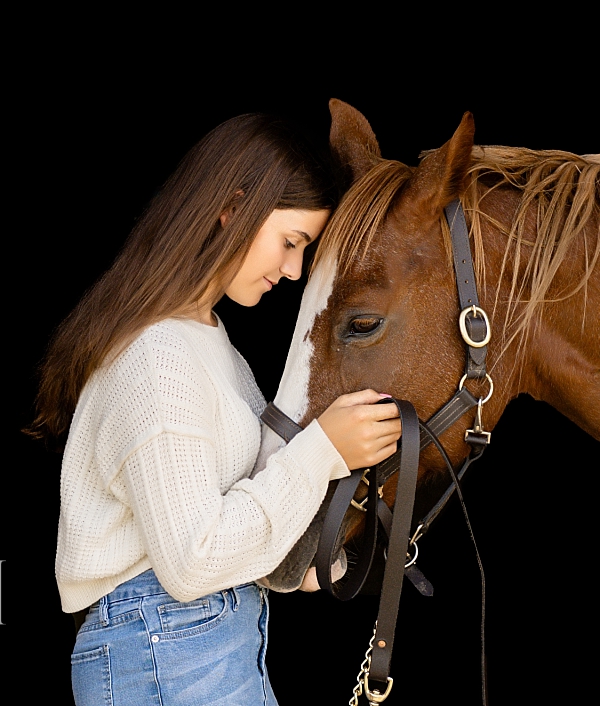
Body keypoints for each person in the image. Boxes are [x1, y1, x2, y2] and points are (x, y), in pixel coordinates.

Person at [25, 111, 402, 705]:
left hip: (193, 644)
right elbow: (193, 562)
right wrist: (322, 451)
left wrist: (292, 562)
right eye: (290, 242)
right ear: (233, 206)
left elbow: (219, 522)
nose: (293, 270)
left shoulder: (210, 346)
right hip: (166, 646)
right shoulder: (157, 356)